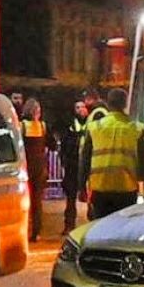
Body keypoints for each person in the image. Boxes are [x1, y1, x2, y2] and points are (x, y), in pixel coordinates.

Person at [80, 88, 144, 220]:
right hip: (126, 191)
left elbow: (85, 160)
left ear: (108, 104)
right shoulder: (137, 129)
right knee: (121, 231)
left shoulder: (94, 127)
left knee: (99, 229)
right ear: (125, 105)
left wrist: (81, 187)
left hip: (99, 190)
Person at [20, 98, 51, 241]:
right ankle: (36, 232)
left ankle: (27, 230)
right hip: (39, 167)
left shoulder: (23, 126)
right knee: (36, 201)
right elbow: (50, 145)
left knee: (27, 201)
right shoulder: (42, 126)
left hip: (28, 167)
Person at [58, 99, 91, 233]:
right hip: (72, 166)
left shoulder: (91, 123)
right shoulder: (70, 125)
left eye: (82, 107)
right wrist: (64, 162)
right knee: (70, 200)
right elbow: (64, 145)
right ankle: (69, 226)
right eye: (77, 108)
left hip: (86, 166)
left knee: (90, 199)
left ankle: (91, 227)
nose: (80, 110)